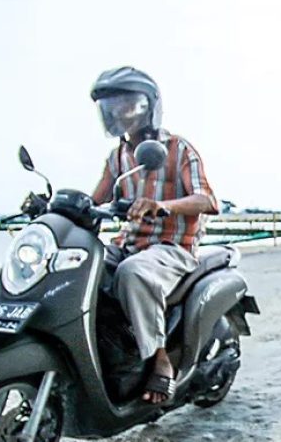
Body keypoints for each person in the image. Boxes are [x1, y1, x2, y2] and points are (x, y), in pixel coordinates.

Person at [89, 66, 219, 405]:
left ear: (148, 106)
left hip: (171, 246)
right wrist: (54, 206)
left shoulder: (178, 149)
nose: (118, 112)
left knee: (133, 273)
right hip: (128, 244)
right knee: (83, 265)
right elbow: (95, 200)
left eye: (126, 103)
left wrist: (162, 206)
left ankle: (159, 358)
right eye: (110, 105)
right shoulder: (118, 157)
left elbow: (207, 200)